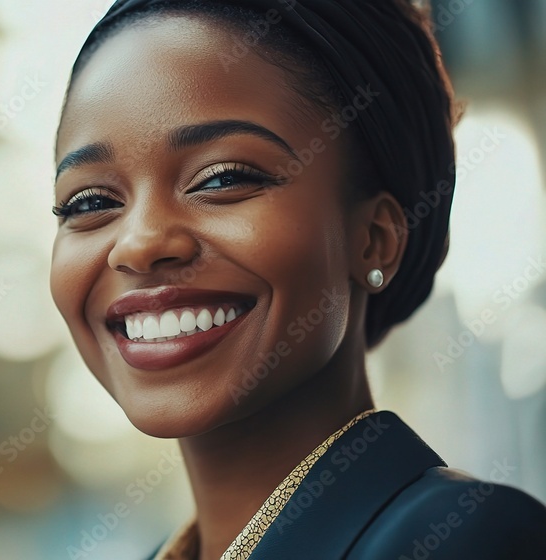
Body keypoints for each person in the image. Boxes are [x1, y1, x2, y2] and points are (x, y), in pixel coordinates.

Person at [48, 0, 546, 558]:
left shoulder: (467, 538)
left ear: (374, 239)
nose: (138, 244)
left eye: (221, 179)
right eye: (89, 201)